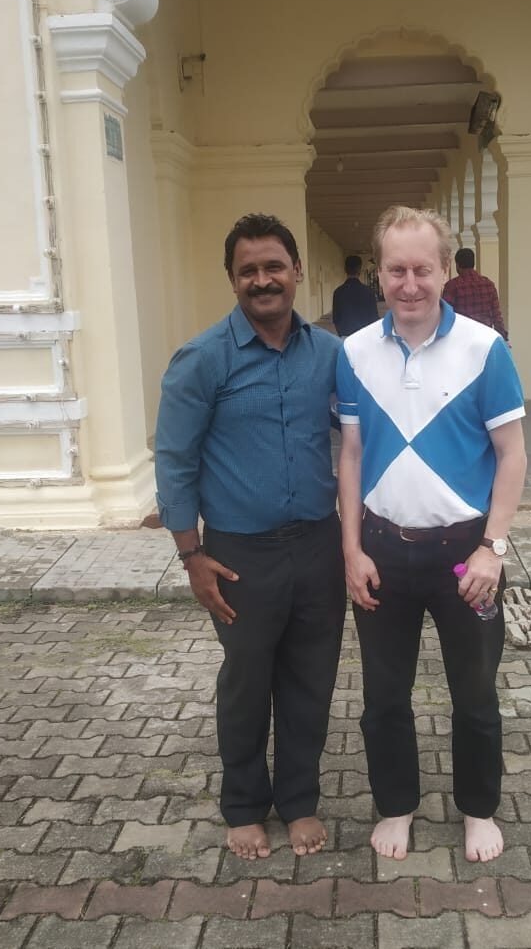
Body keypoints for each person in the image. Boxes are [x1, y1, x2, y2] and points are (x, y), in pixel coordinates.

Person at [336, 205, 527, 864]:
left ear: (446, 269)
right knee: (384, 697)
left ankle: (478, 809)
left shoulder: (485, 348)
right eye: (396, 270)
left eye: (422, 269)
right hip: (383, 552)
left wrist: (493, 549)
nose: (410, 284)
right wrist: (351, 549)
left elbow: (512, 454)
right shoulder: (354, 352)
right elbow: (351, 455)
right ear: (379, 273)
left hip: (465, 556)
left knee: (474, 694)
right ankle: (397, 805)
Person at [155, 213, 345, 861]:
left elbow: (364, 433)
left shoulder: (330, 354)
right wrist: (191, 555)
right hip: (239, 555)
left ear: (297, 272)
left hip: (318, 545)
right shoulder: (202, 359)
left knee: (311, 679)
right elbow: (174, 460)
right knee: (246, 681)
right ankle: (242, 806)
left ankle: (299, 800)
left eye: (274, 267)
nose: (263, 280)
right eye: (249, 271)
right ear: (232, 279)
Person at [442, 246, 509, 340]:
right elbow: (496, 315)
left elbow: (445, 314)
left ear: (457, 265)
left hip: (462, 337)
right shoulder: (488, 284)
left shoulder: (452, 286)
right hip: (485, 337)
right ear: (473, 263)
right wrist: (503, 336)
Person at [332, 254, 379, 336]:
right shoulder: (368, 292)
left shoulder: (338, 292)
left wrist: (342, 333)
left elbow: (336, 319)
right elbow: (374, 318)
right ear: (359, 270)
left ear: (345, 269)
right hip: (365, 336)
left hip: (345, 337)